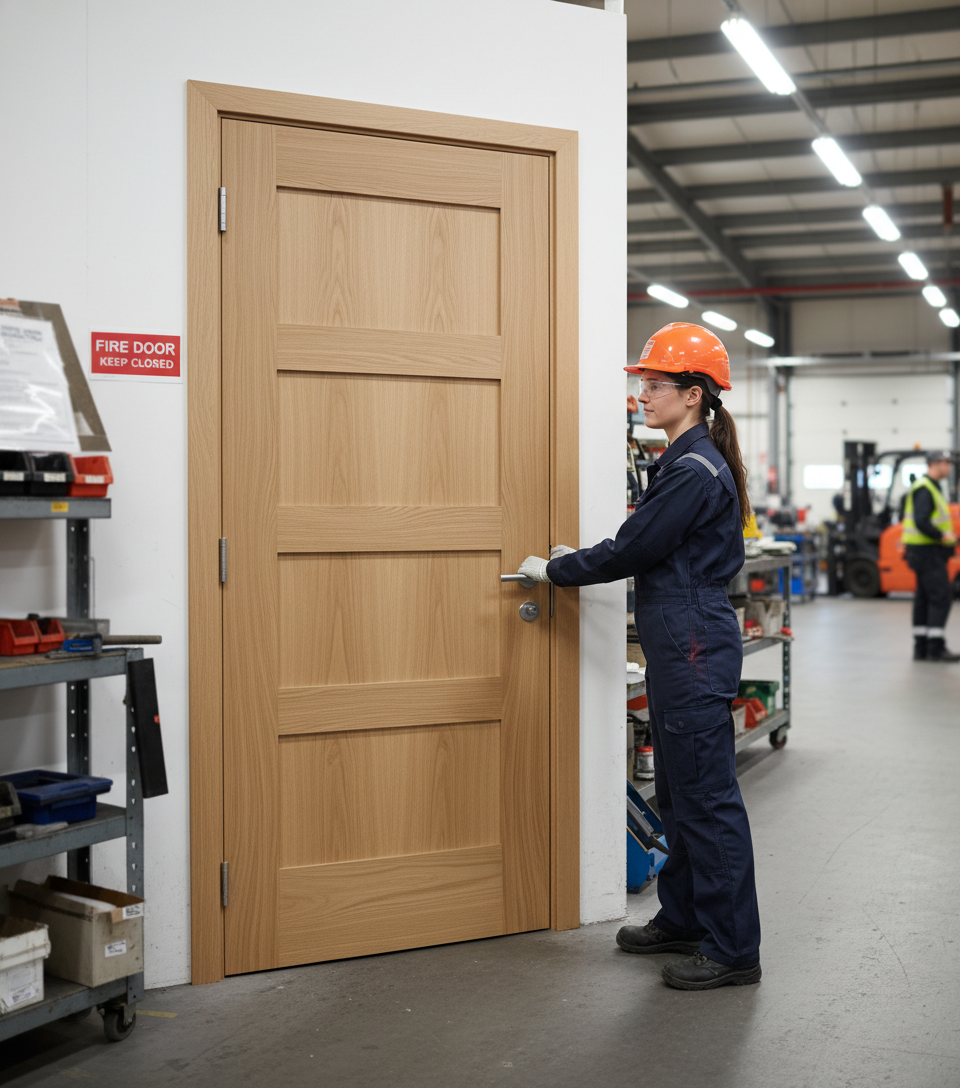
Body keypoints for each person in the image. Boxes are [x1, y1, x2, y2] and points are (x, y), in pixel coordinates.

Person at [518, 322, 760, 992]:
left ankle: (733, 948)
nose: (643, 397)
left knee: (707, 801)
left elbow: (633, 550)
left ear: (692, 393)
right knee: (681, 794)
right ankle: (683, 916)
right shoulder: (688, 459)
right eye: (643, 385)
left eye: (655, 385)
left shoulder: (692, 468)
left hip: (692, 644)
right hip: (681, 641)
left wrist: (557, 571)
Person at [902, 451, 959, 662]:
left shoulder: (930, 487)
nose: (950, 468)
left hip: (922, 551)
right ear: (935, 464)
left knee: (924, 597)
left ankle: (921, 646)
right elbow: (921, 521)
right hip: (927, 551)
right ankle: (935, 647)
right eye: (947, 464)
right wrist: (942, 535)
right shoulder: (925, 488)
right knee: (941, 596)